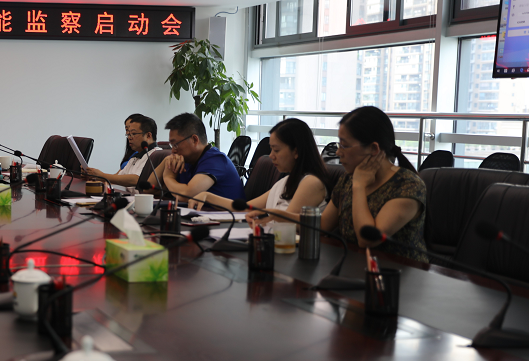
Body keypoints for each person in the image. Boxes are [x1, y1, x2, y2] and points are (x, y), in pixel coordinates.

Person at [320, 106, 428, 263]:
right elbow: (323, 225)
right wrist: (282, 217)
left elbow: (367, 241)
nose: (338, 152)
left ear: (373, 148)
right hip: (354, 267)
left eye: (344, 145)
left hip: (399, 273)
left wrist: (359, 186)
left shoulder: (408, 185)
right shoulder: (348, 178)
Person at [192, 118, 329, 226]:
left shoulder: (311, 182)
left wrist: (265, 217)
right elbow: (247, 208)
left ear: (296, 151)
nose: (271, 155)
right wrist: (207, 196)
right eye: (271, 149)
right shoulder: (286, 182)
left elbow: (286, 223)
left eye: (276, 150)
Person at [151, 112, 244, 202]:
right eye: (171, 145)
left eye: (175, 144)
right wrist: (166, 161)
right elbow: (149, 189)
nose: (173, 151)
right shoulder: (188, 160)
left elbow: (187, 194)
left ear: (194, 140)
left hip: (225, 213)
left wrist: (168, 177)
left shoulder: (215, 160)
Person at [83, 114, 160, 193]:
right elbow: (118, 179)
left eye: (133, 134)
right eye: (128, 134)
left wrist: (102, 175)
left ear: (148, 135)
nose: (129, 137)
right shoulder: (135, 157)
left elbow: (137, 179)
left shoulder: (157, 155)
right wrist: (93, 176)